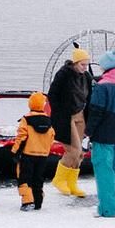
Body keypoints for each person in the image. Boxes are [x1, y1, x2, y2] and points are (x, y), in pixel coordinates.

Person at [85, 50, 115, 218]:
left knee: (104, 170)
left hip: (103, 134)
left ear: (104, 66)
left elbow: (96, 111)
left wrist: (88, 131)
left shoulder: (102, 85)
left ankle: (107, 209)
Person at [47, 46, 93, 198]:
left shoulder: (86, 77)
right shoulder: (64, 74)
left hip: (80, 115)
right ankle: (59, 179)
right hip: (66, 117)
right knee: (73, 150)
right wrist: (60, 112)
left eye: (87, 65)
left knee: (80, 154)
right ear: (75, 63)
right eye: (82, 64)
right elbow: (52, 95)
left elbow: (90, 96)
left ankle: (72, 183)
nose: (85, 68)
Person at [10, 91, 57, 210]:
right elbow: (51, 138)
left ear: (30, 104)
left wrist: (15, 152)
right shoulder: (49, 121)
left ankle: (27, 201)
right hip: (43, 156)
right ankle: (38, 201)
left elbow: (21, 137)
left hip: (28, 155)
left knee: (24, 178)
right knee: (38, 178)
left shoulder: (26, 119)